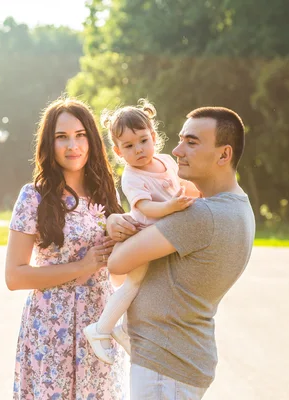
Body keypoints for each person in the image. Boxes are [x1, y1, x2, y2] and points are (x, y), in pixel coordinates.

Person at [105, 107, 255, 399]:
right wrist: (114, 219)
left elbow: (117, 263)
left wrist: (116, 223)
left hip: (165, 365)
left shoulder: (200, 216)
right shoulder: (238, 206)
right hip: (180, 357)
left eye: (192, 142)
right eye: (180, 139)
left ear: (224, 155)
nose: (176, 150)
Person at [5, 97, 135, 399]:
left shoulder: (107, 194)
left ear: (91, 140)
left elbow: (118, 276)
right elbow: (14, 276)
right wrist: (82, 266)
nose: (72, 145)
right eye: (61, 137)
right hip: (51, 327)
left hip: (99, 326)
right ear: (49, 145)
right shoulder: (33, 198)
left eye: (80, 135)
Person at [83, 99, 200, 364]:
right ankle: (100, 329)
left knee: (150, 284)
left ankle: (124, 328)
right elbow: (145, 207)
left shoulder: (167, 161)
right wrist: (170, 206)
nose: (138, 150)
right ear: (118, 151)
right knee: (133, 283)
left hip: (163, 234)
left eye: (143, 140)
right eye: (129, 146)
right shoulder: (132, 176)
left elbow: (183, 185)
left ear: (154, 137)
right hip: (142, 236)